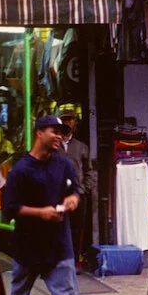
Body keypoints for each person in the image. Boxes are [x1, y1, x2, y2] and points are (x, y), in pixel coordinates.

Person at [0, 114, 97, 295]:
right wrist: (40, 213)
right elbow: (10, 208)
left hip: (58, 242)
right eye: (54, 131)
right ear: (39, 133)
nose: (59, 136)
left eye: (62, 132)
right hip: (27, 244)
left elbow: (73, 190)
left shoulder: (63, 164)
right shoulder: (20, 170)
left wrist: (73, 199)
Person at [58, 106, 96, 269]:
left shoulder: (81, 146)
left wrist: (84, 189)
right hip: (57, 194)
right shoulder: (54, 144)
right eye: (64, 119)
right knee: (57, 227)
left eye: (70, 119)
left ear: (74, 122)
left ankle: (73, 261)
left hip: (78, 194)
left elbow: (90, 170)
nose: (67, 122)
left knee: (76, 229)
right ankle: (58, 261)